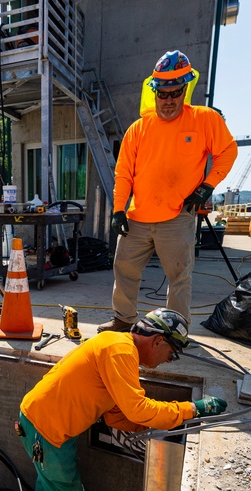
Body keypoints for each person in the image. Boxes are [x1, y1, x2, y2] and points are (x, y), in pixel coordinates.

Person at [16, 308, 227, 491]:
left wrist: (160, 422)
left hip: (48, 426)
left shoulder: (120, 350)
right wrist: (190, 409)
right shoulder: (120, 351)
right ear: (157, 341)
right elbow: (138, 409)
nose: (168, 362)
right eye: (171, 354)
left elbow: (118, 415)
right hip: (46, 430)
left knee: (50, 485)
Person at [99, 50, 238, 333]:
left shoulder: (204, 119)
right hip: (138, 217)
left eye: (176, 93)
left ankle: (174, 330)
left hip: (177, 216)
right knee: (124, 269)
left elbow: (227, 151)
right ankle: (123, 320)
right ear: (154, 92)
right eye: (163, 93)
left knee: (178, 276)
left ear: (185, 90)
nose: (169, 100)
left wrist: (207, 186)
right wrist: (118, 209)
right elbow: (123, 172)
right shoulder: (138, 129)